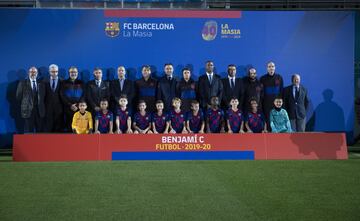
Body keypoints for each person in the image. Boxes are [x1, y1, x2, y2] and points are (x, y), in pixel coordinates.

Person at [16, 66, 46, 133]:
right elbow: (18, 97)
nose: (33, 73)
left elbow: (44, 97)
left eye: (35, 72)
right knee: (29, 130)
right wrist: (26, 104)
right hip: (28, 110)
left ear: (37, 73)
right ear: (28, 73)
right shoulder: (22, 83)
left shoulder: (41, 84)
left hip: (39, 110)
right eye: (31, 72)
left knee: (40, 130)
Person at [260, 62, 283, 130]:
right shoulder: (262, 78)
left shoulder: (279, 77)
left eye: (272, 66)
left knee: (277, 125)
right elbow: (261, 93)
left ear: (275, 67)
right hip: (266, 106)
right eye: (269, 67)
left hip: (277, 105)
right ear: (267, 68)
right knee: (268, 125)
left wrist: (280, 104)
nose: (271, 68)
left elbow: (281, 92)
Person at [60, 66, 85, 132]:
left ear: (77, 73)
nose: (73, 73)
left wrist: (78, 105)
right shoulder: (63, 83)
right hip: (68, 109)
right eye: (72, 72)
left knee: (79, 129)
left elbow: (84, 95)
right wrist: (70, 105)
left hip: (79, 109)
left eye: (75, 72)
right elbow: (62, 95)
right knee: (69, 128)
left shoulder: (81, 83)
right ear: (69, 73)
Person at [43, 64, 63, 132]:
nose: (55, 73)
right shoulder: (44, 81)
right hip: (48, 107)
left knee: (59, 126)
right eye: (52, 71)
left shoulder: (62, 81)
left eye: (56, 71)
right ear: (49, 71)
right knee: (48, 126)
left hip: (59, 107)